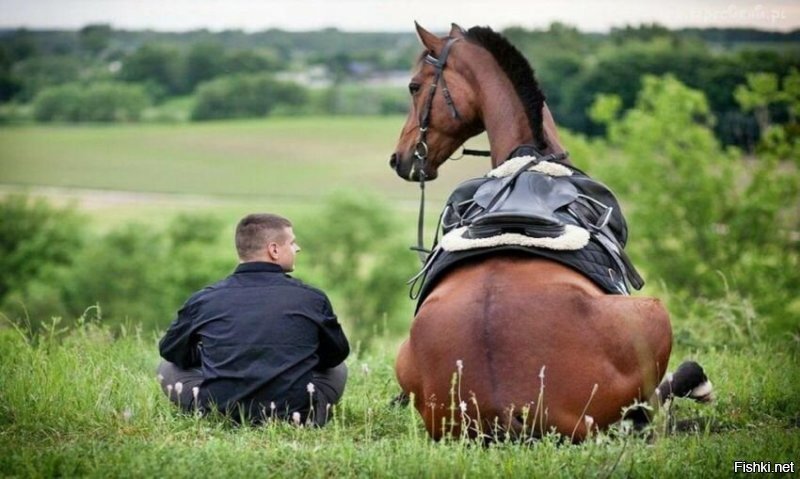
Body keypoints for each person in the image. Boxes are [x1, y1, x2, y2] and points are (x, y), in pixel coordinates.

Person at [157, 213, 349, 426]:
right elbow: (335, 355)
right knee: (338, 369)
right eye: (292, 242)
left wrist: (215, 355)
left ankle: (211, 415)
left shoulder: (204, 299)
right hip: (296, 415)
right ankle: (310, 415)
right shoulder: (312, 298)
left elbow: (171, 351)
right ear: (274, 250)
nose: (297, 248)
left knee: (167, 367)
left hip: (220, 412)